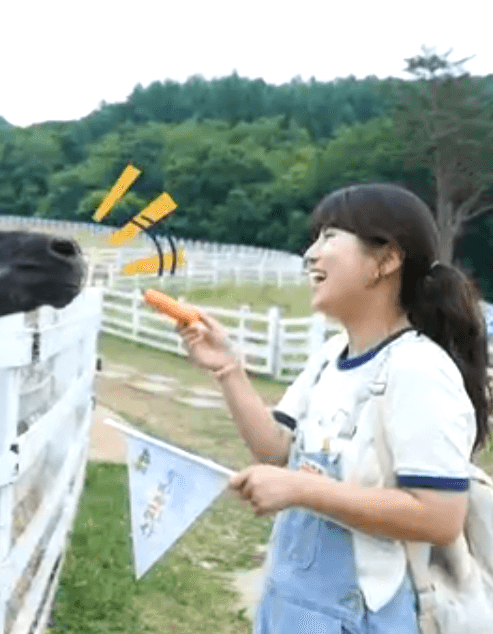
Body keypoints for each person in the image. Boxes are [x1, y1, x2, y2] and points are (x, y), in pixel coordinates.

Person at [176, 183, 490, 633]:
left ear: (386, 260)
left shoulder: (418, 370)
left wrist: (302, 491)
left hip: (362, 618)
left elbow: (440, 517)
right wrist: (228, 368)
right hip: (291, 604)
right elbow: (277, 451)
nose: (310, 255)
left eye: (329, 237)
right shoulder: (330, 357)